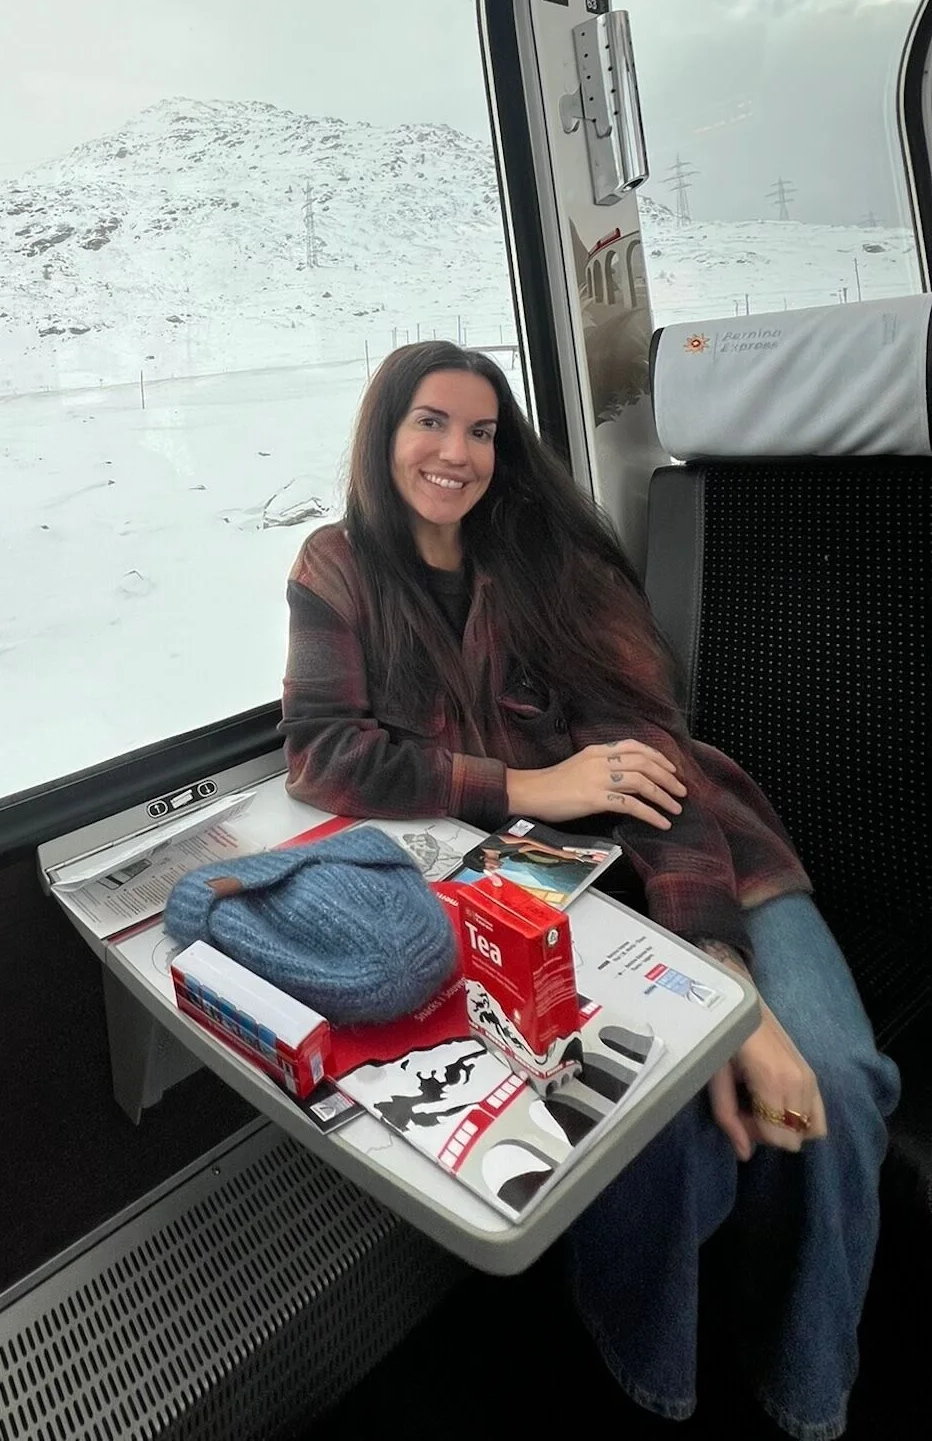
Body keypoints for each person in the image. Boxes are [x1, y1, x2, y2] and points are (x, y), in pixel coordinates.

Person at [281, 340, 898, 1441]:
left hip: (693, 854)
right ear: (384, 436)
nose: (454, 453)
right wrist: (525, 783)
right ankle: (650, 1378)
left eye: (480, 432)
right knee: (648, 1132)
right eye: (430, 422)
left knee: (839, 1083)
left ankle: (807, 1394)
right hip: (550, 896)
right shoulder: (338, 568)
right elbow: (324, 754)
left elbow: (648, 766)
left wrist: (726, 990)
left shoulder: (552, 558)